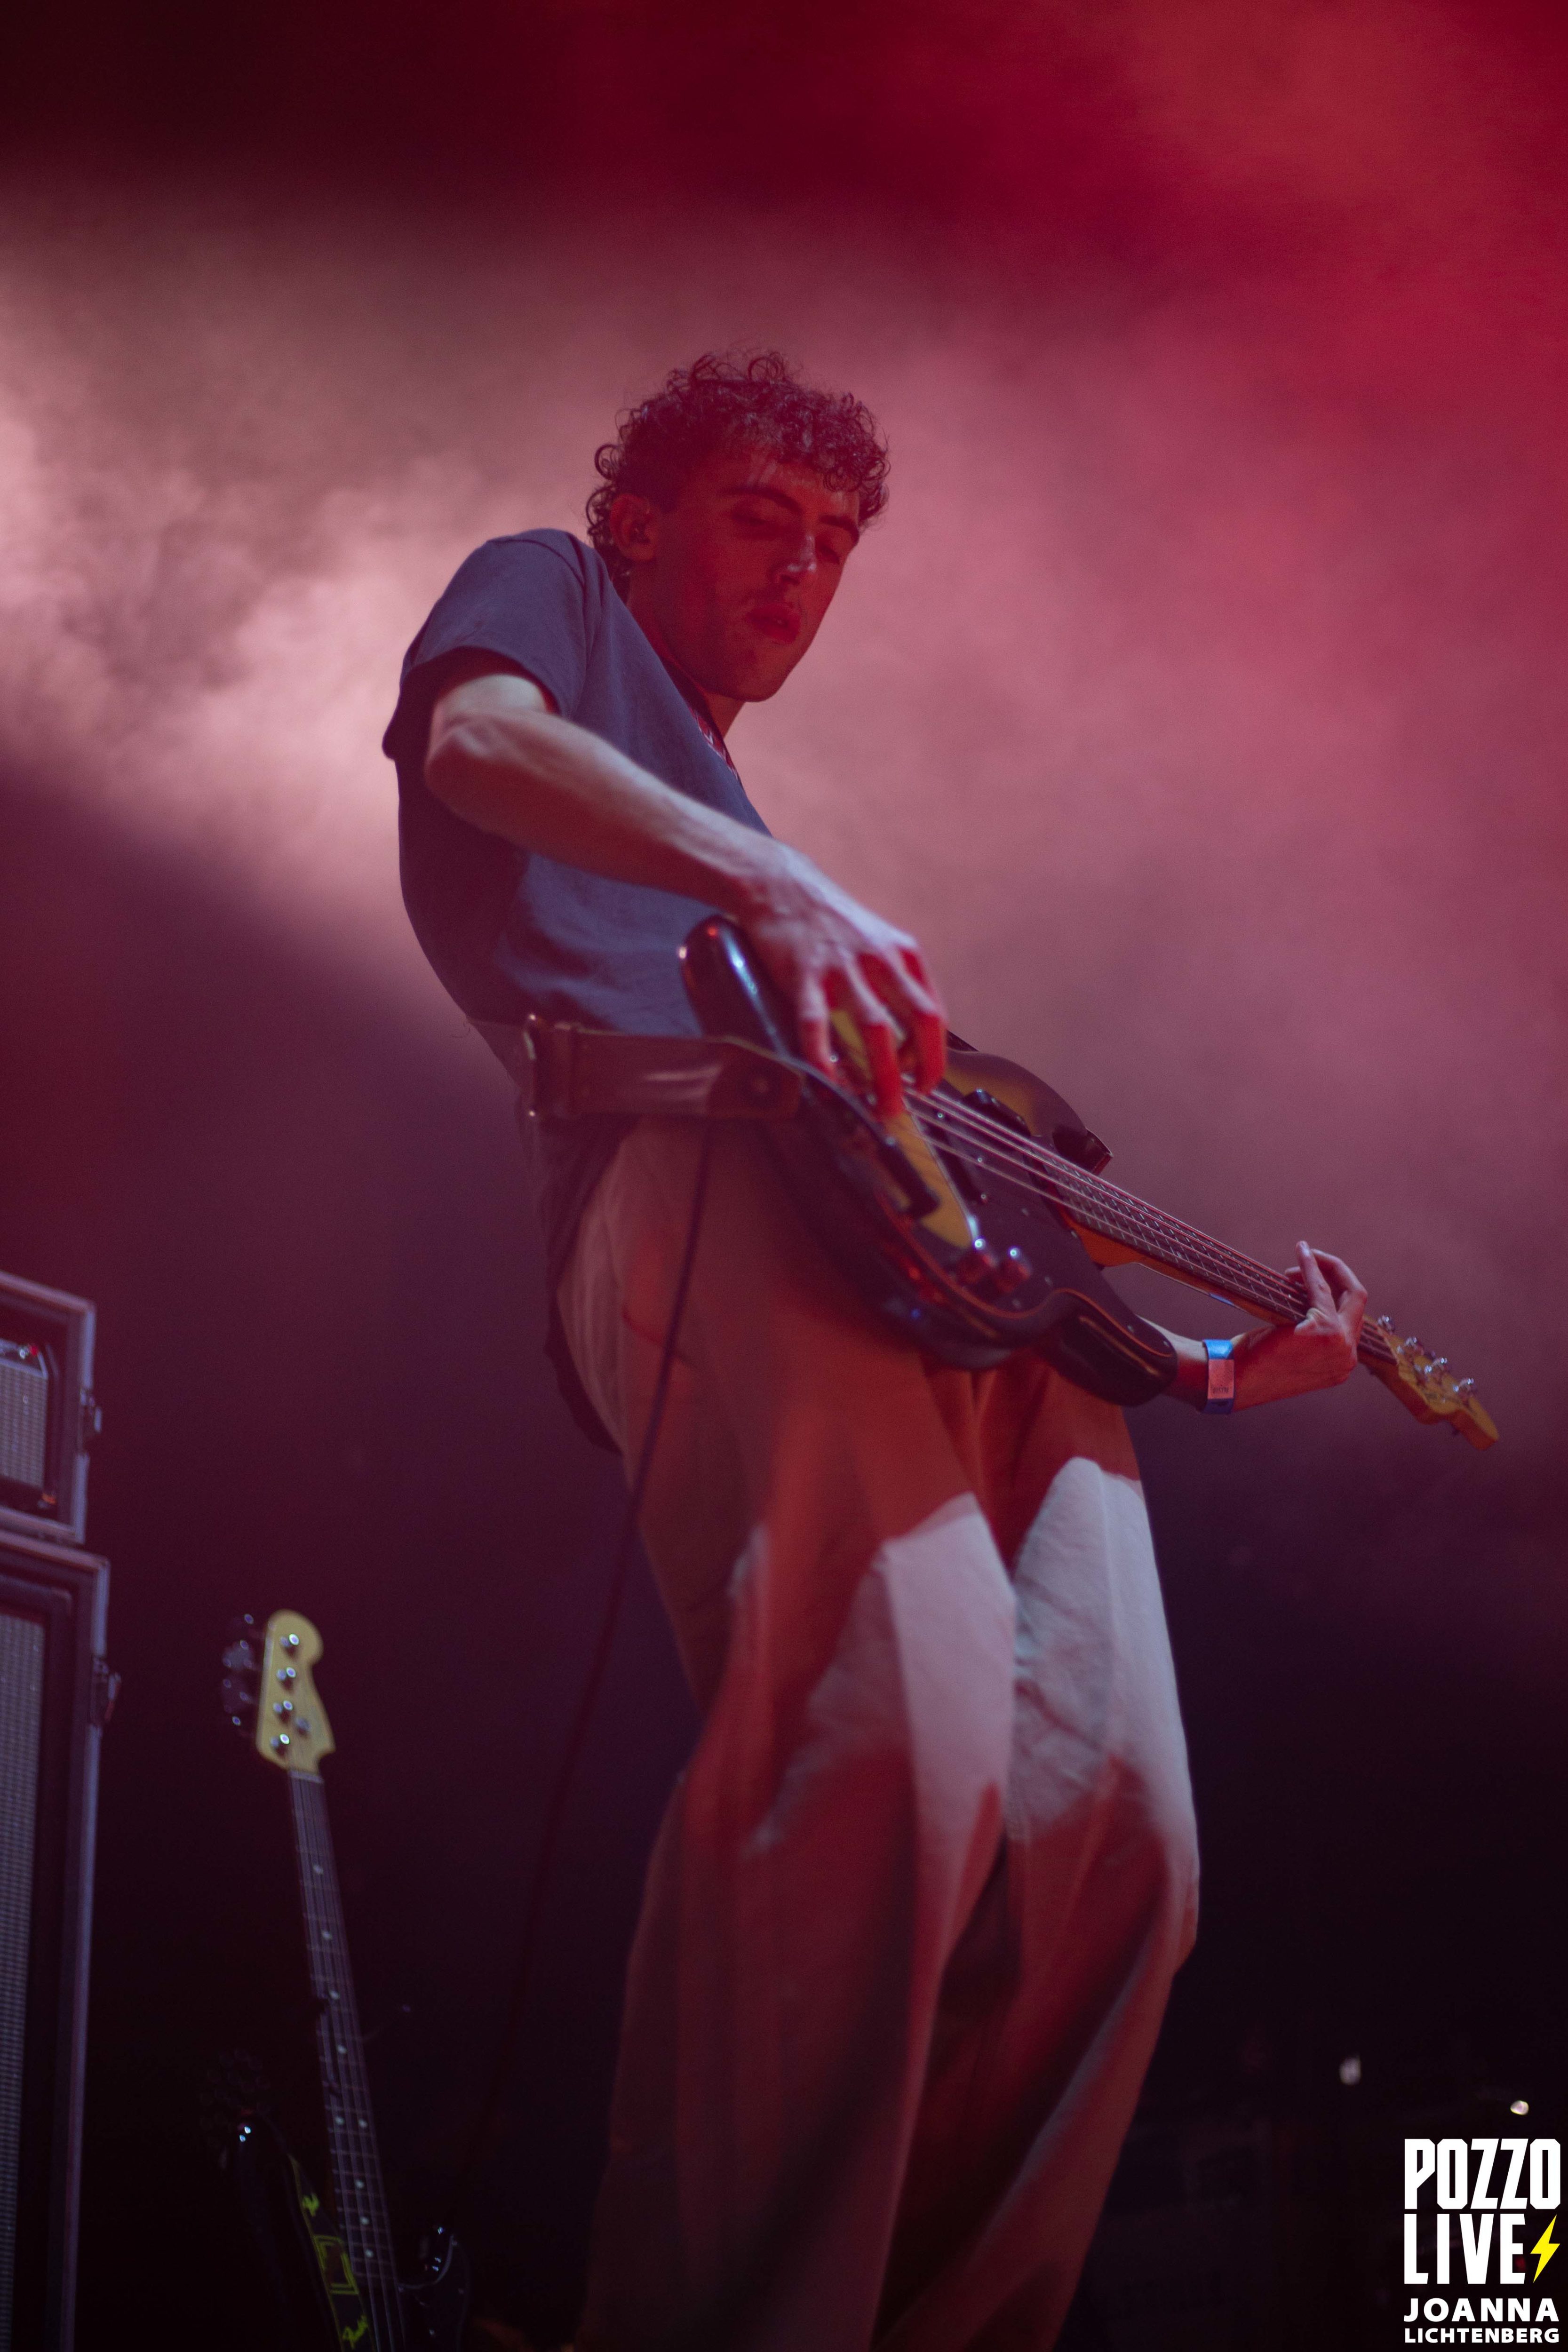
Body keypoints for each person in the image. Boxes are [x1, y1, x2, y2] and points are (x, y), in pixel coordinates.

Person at [383, 352, 1366, 2352]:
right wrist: (767, 875)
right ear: (640, 522)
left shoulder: (745, 811)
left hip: (927, 1270)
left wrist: (1185, 1367)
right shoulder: (551, 599)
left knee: (1123, 1841)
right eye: (764, 516)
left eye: (836, 546)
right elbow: (474, 743)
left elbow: (955, 1199)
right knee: (887, 1756)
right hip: (693, 1169)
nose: (807, 572)